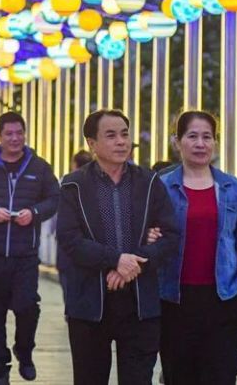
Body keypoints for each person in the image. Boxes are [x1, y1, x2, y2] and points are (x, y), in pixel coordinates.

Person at [57, 110, 179, 385]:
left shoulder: (149, 182)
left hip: (140, 303)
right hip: (90, 302)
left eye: (124, 134)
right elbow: (70, 240)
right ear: (92, 143)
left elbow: (170, 235)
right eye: (110, 135)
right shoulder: (73, 185)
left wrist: (132, 265)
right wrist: (115, 260)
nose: (121, 141)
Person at [152, 110, 237, 385]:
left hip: (223, 301)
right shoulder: (161, 187)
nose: (200, 144)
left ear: (215, 142)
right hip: (174, 301)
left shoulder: (232, 188)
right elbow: (146, 238)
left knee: (221, 376)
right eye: (192, 136)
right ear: (177, 142)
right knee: (179, 377)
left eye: (207, 137)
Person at [0, 113, 60, 385]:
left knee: (28, 306)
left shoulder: (38, 166)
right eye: (9, 134)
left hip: (25, 254)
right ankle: (0, 369)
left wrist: (35, 212)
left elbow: (54, 198)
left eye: (20, 132)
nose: (15, 138)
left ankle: (24, 350)